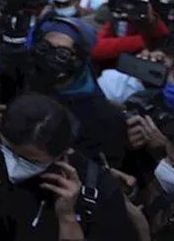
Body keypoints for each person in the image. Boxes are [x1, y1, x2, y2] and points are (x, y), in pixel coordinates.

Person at [0, 93, 138, 241]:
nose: (13, 163)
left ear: (62, 154)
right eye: (8, 150)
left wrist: (67, 217)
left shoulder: (99, 191)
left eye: (28, 160)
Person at [26, 17, 129, 167]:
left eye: (62, 54)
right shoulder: (24, 84)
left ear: (78, 61)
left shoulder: (103, 117)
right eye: (44, 47)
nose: (50, 57)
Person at [91, 0, 169, 69]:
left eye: (135, 2)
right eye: (125, 1)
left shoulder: (154, 22)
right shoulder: (115, 20)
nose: (129, 6)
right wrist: (138, 41)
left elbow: (163, 39)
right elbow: (96, 49)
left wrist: (151, 19)